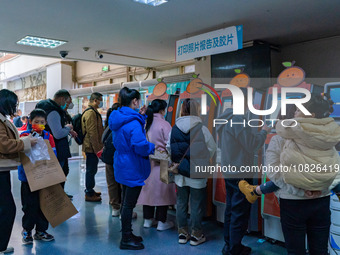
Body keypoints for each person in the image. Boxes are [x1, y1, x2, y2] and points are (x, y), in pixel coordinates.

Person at [248, 95, 340, 255]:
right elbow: (336, 171)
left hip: (293, 203)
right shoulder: (327, 140)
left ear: (310, 115)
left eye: (299, 109)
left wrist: (301, 191)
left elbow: (275, 172)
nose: (295, 112)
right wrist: (321, 188)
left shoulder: (279, 139)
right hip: (321, 201)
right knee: (320, 251)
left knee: (295, 250)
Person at [216, 89, 271, 255]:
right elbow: (252, 144)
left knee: (231, 209)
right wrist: (264, 132)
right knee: (240, 211)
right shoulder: (238, 119)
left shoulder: (223, 118)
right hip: (240, 171)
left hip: (229, 169)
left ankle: (229, 244)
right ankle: (235, 248)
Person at [109, 87, 155, 250]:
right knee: (129, 204)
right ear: (134, 101)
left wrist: (141, 116)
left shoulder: (118, 116)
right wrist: (152, 147)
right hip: (132, 165)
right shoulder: (133, 122)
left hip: (121, 162)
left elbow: (127, 133)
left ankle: (127, 232)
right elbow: (139, 145)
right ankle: (126, 238)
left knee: (125, 202)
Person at [167, 99, 216, 246]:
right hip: (197, 173)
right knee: (196, 204)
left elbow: (169, 148)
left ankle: (182, 234)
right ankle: (196, 235)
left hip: (180, 172)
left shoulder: (174, 128)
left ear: (182, 110)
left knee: (181, 203)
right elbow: (212, 147)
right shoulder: (202, 128)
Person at [0, 89, 36, 254]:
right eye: (13, 103)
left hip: (3, 169)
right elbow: (4, 145)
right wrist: (26, 142)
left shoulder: (3, 120)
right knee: (7, 209)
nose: (15, 106)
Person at [137, 99, 176, 231]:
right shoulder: (164, 124)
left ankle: (148, 220)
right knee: (162, 192)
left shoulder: (146, 123)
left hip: (147, 162)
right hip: (162, 163)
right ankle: (161, 222)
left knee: (148, 190)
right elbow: (170, 144)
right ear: (162, 110)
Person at [18, 109, 56, 244]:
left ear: (46, 123)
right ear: (30, 122)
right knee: (29, 205)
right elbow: (21, 156)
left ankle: (41, 231)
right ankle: (27, 230)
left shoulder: (48, 136)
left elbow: (53, 156)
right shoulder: (25, 136)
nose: (39, 124)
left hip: (44, 178)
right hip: (28, 178)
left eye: (42, 122)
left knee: (44, 204)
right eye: (36, 122)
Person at [35, 89, 77, 188]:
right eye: (67, 103)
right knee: (59, 175)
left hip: (47, 147)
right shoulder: (53, 111)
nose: (67, 106)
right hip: (56, 149)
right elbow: (57, 134)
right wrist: (68, 128)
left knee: (55, 175)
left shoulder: (45, 106)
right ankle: (57, 199)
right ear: (62, 99)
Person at [82, 92, 104, 202]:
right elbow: (92, 133)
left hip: (92, 146)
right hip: (91, 147)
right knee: (91, 170)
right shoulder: (91, 113)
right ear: (95, 100)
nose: (101, 102)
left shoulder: (94, 112)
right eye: (100, 100)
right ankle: (89, 193)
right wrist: (97, 149)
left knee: (93, 169)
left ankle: (91, 190)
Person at [101, 103, 121, 216]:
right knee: (123, 183)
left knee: (112, 183)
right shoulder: (124, 124)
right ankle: (123, 208)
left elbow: (102, 138)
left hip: (109, 158)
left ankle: (115, 207)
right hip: (121, 158)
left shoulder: (109, 125)